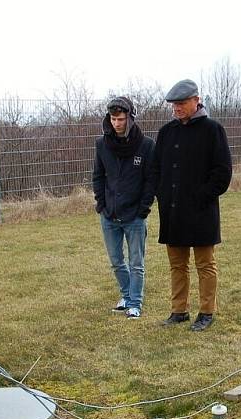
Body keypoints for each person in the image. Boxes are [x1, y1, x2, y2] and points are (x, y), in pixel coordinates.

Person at [151, 79, 232, 332]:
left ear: (196, 100)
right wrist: (161, 194)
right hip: (173, 211)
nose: (177, 108)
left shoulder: (212, 130)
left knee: (205, 264)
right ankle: (179, 311)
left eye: (182, 103)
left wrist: (201, 197)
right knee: (177, 265)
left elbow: (222, 173)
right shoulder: (166, 133)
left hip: (201, 211)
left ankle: (207, 312)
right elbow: (155, 170)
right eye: (174, 104)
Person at [92, 96, 156, 320]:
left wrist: (143, 209)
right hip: (109, 214)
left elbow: (151, 180)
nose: (116, 123)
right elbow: (98, 176)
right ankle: (126, 295)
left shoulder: (146, 145)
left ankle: (135, 303)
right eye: (112, 119)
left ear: (130, 118)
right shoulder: (102, 144)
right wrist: (101, 203)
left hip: (135, 216)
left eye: (120, 119)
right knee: (116, 261)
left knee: (136, 262)